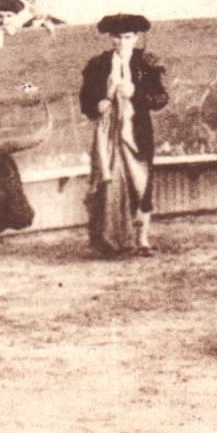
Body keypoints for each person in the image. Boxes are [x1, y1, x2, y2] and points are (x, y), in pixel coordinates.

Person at [80, 13, 169, 256]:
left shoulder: (147, 63)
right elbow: (86, 103)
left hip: (137, 130)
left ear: (137, 38)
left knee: (141, 182)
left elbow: (161, 99)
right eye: (117, 37)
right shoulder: (98, 65)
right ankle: (112, 239)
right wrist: (102, 101)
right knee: (108, 182)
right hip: (107, 135)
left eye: (128, 37)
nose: (122, 42)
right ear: (111, 39)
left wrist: (135, 93)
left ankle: (142, 238)